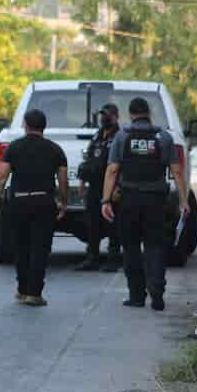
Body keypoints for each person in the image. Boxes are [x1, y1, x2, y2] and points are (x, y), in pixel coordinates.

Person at [101, 97, 189, 312]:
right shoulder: (164, 137)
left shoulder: (122, 136)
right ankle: (157, 291)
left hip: (129, 200)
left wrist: (105, 200)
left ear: (131, 114)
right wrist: (184, 201)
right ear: (148, 113)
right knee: (155, 245)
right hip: (156, 200)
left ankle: (137, 295)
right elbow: (177, 171)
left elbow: (112, 170)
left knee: (130, 246)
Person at [0, 109, 68, 307]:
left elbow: (1, 178)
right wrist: (63, 202)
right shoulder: (55, 150)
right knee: (40, 248)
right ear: (44, 127)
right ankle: (34, 293)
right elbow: (63, 180)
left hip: (19, 203)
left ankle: (22, 290)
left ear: (25, 125)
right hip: (44, 203)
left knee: (21, 246)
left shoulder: (13, 148)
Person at [75, 103, 122, 272]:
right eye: (102, 115)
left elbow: (123, 164)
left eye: (107, 115)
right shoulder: (97, 136)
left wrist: (119, 187)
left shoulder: (120, 136)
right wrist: (82, 182)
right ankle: (92, 257)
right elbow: (88, 161)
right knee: (92, 223)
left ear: (116, 117)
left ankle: (113, 259)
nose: (104, 118)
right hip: (94, 187)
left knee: (112, 224)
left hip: (111, 186)